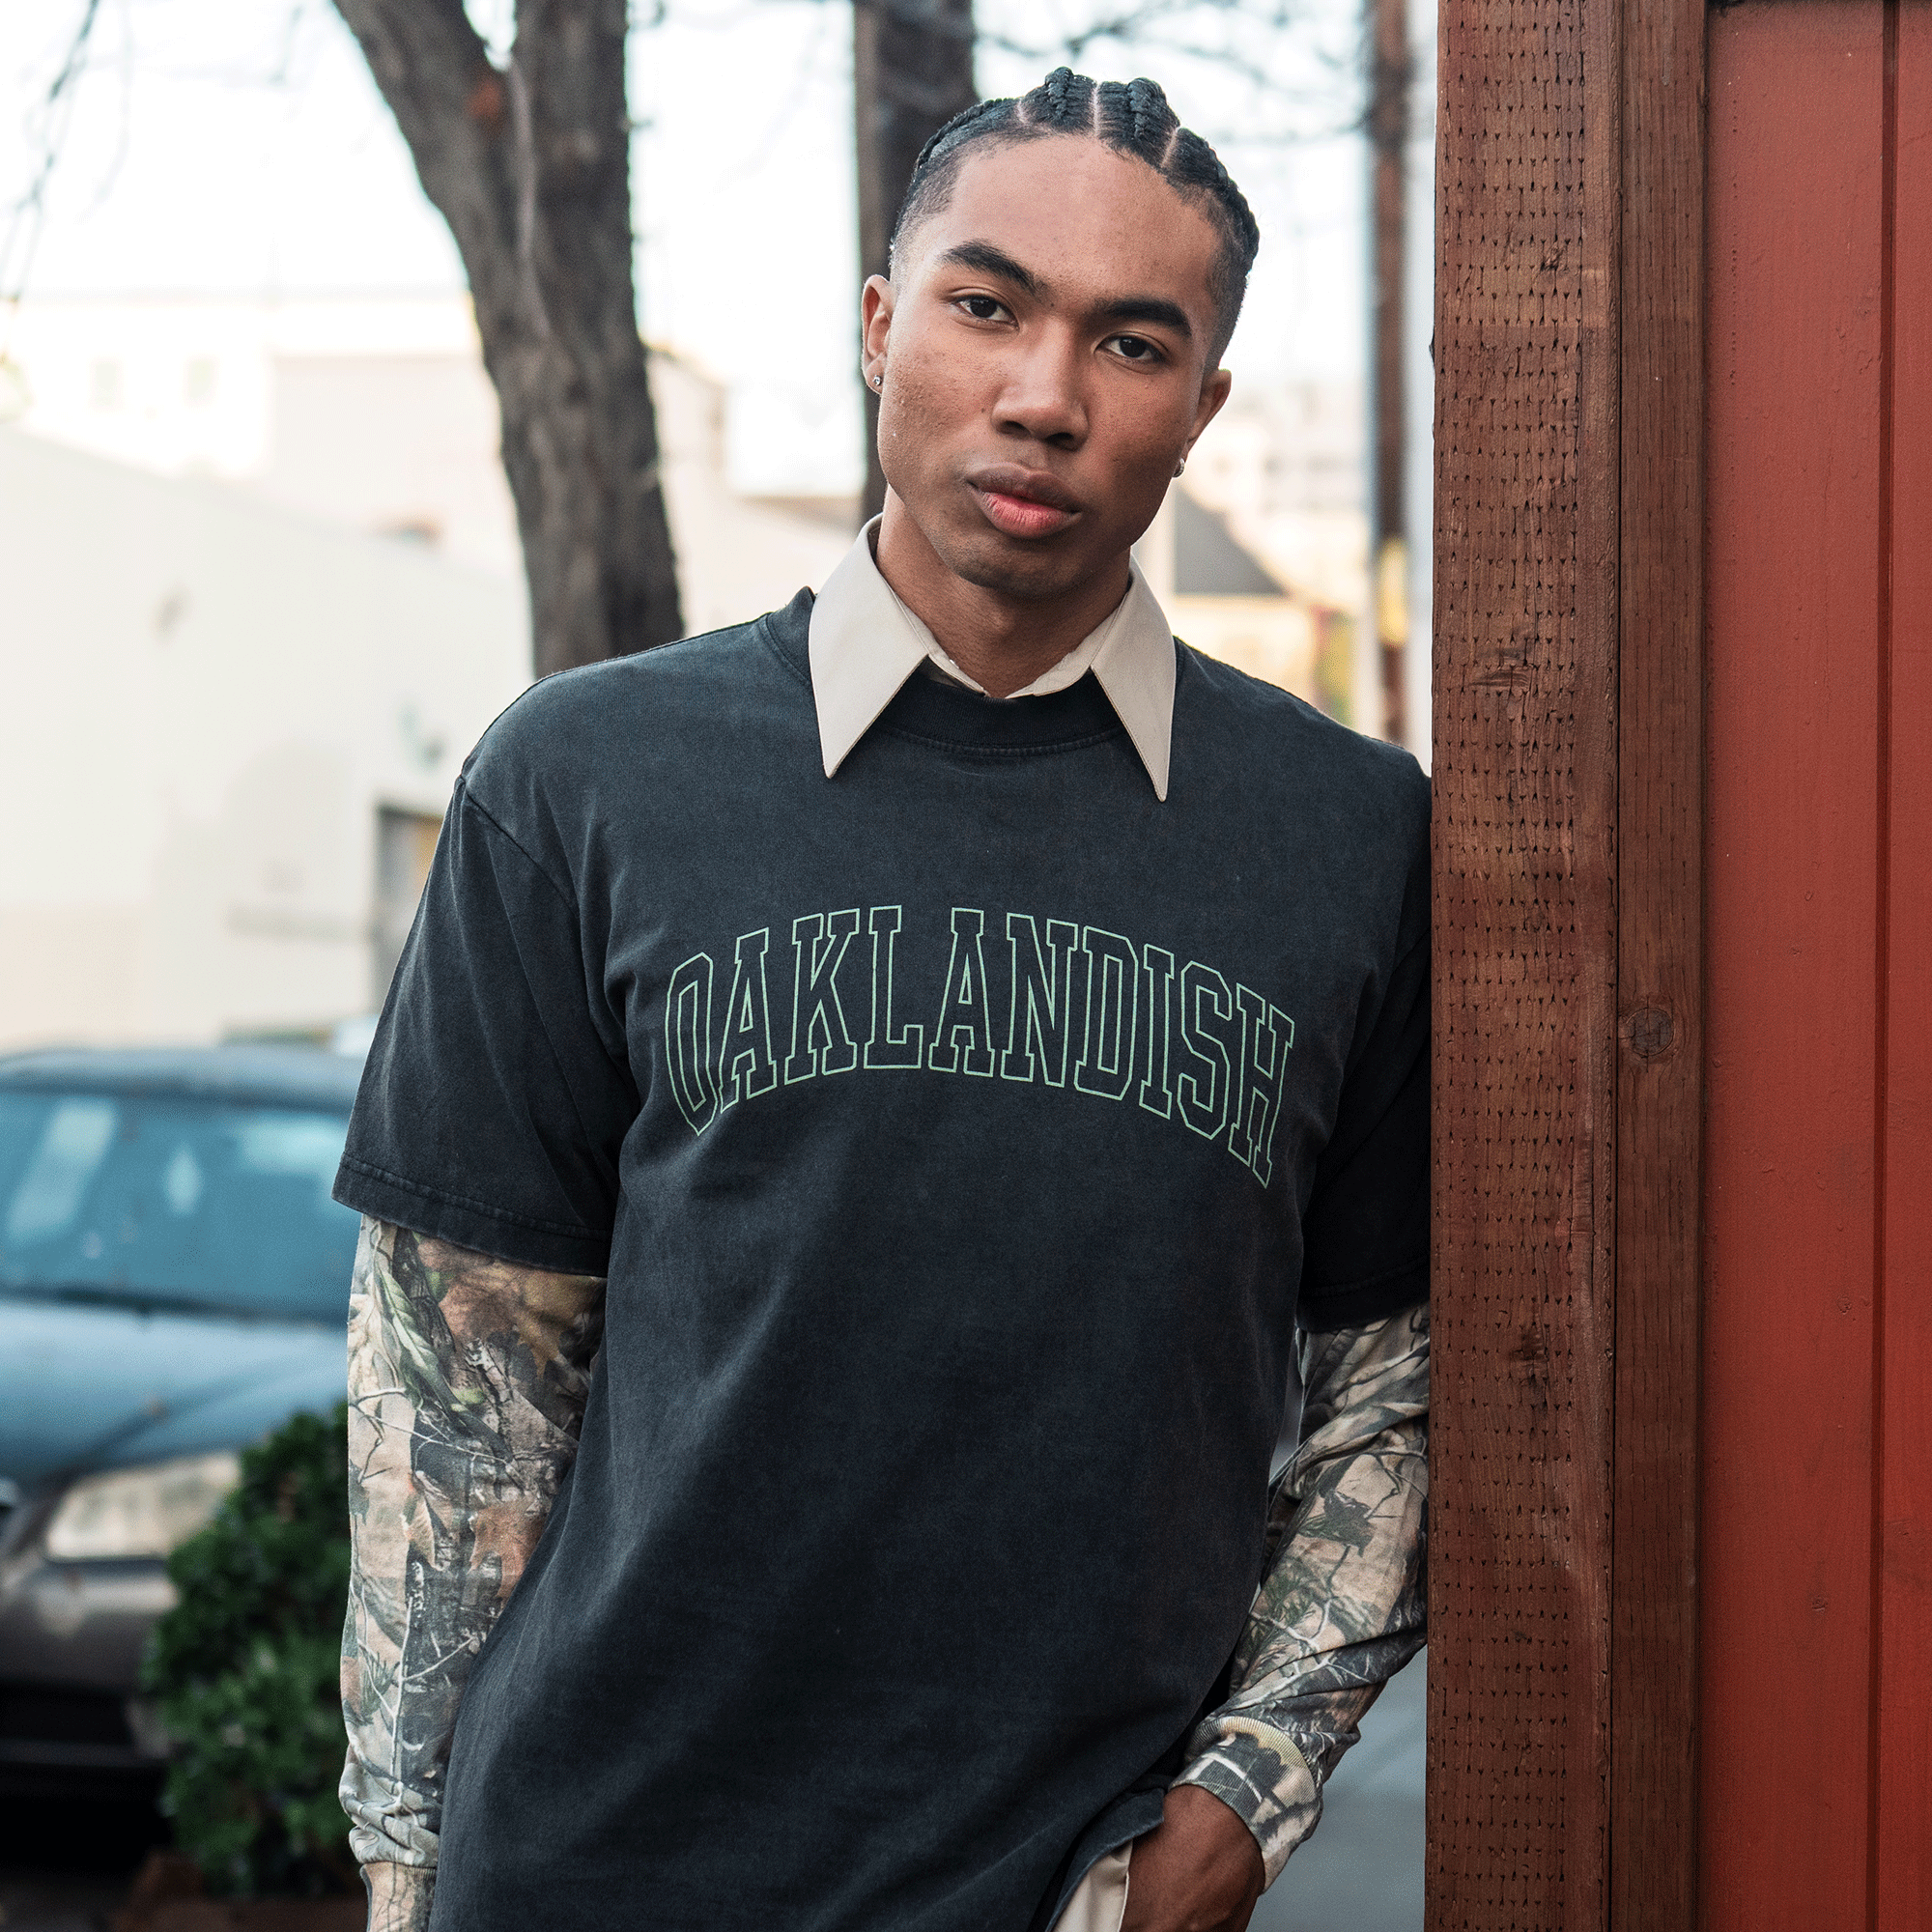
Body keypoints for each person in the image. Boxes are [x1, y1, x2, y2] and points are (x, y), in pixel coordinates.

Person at [334, 68, 1429, 1932]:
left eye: (1132, 343)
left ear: (1204, 409)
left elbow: (1397, 1387)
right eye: (986, 305)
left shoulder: (1350, 839)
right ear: (877, 326)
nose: (1045, 395)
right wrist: (406, 1869)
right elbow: (456, 1387)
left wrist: (1241, 1804)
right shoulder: (583, 780)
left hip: (1065, 1887)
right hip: (591, 1868)